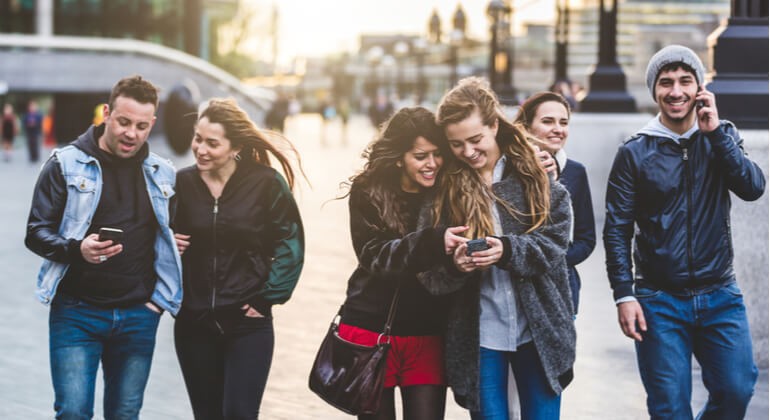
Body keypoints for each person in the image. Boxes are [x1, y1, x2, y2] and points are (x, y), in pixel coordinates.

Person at [604, 45, 765, 419]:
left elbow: (753, 187)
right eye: (666, 83)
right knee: (669, 408)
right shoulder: (634, 152)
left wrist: (716, 136)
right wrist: (623, 296)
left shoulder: (721, 137)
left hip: (719, 294)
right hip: (659, 301)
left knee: (736, 390)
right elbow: (617, 229)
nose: (675, 91)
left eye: (684, 81)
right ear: (655, 90)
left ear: (699, 88)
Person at [24, 75, 182, 419]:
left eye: (142, 126)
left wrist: (156, 302)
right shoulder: (65, 164)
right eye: (124, 122)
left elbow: (170, 234)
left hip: (139, 316)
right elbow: (36, 232)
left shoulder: (163, 173)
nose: (132, 133)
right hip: (76, 314)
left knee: (125, 415)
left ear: (152, 124)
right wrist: (76, 249)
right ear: (107, 113)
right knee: (73, 413)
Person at [425, 77, 575, 419]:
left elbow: (554, 244)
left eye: (475, 139)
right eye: (456, 144)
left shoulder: (534, 172)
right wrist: (454, 265)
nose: (467, 152)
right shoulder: (444, 190)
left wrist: (507, 251)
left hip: (539, 332)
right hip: (479, 336)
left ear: (494, 125)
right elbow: (429, 270)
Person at [172, 98, 305, 419]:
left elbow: (291, 243)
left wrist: (265, 299)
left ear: (234, 147)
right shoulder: (181, 184)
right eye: (197, 138)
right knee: (207, 415)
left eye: (212, 143)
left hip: (248, 323)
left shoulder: (265, 184)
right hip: (194, 323)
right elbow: (152, 234)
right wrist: (167, 243)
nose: (200, 149)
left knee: (239, 414)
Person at [336, 106, 458, 420]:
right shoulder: (368, 191)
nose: (432, 164)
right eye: (421, 156)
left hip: (428, 333)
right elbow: (375, 255)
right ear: (399, 156)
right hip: (371, 328)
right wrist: (433, 242)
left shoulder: (451, 190)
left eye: (437, 154)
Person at [514, 91, 596, 314]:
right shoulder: (507, 170)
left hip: (562, 288)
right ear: (526, 126)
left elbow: (586, 239)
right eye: (547, 121)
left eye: (564, 122)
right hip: (516, 287)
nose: (558, 129)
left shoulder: (576, 171)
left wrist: (552, 261)